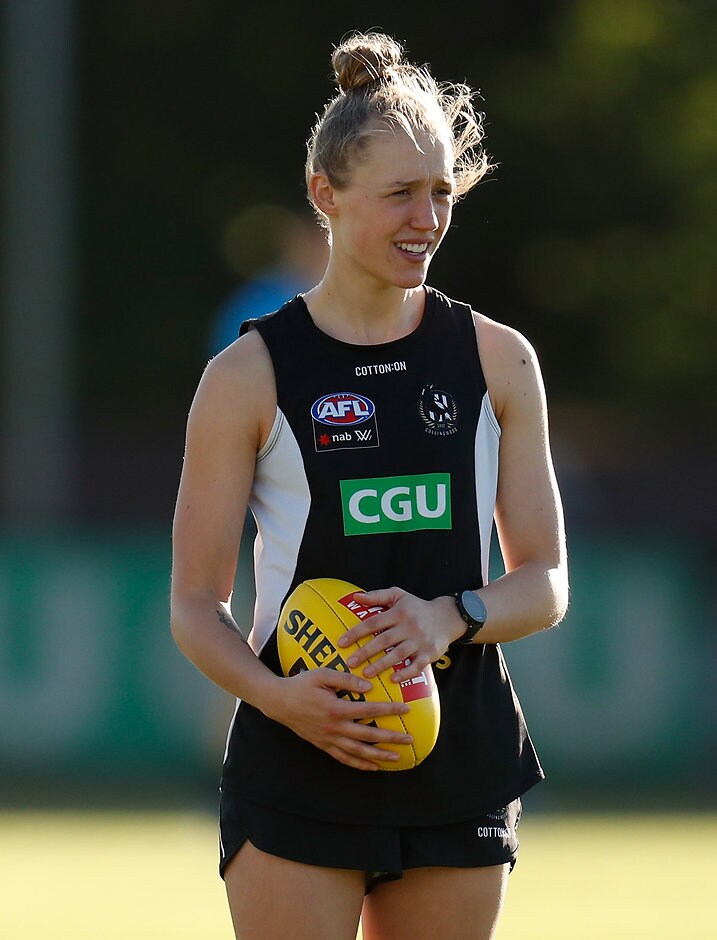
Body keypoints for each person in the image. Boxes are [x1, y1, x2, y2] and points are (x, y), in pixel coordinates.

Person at [171, 31, 568, 940]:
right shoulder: (247, 375)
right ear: (325, 195)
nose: (424, 219)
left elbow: (545, 581)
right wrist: (281, 701)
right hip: (297, 749)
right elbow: (194, 605)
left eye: (439, 194)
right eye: (398, 195)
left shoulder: (498, 359)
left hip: (456, 752)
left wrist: (449, 616)